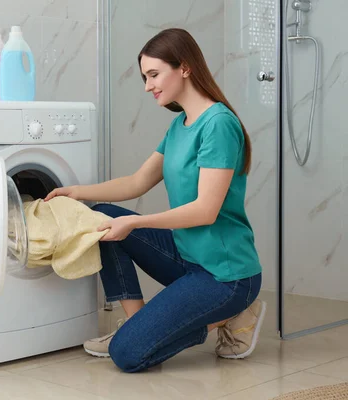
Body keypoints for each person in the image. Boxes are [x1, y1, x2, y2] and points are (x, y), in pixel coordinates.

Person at [44, 28, 266, 373]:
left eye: (153, 74)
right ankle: (136, 325)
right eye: (145, 77)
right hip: (186, 256)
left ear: (185, 68)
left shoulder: (218, 124)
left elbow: (206, 211)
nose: (148, 86)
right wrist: (78, 192)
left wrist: (135, 221)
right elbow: (137, 182)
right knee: (100, 219)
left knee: (128, 356)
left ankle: (233, 313)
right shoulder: (180, 125)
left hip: (226, 276)